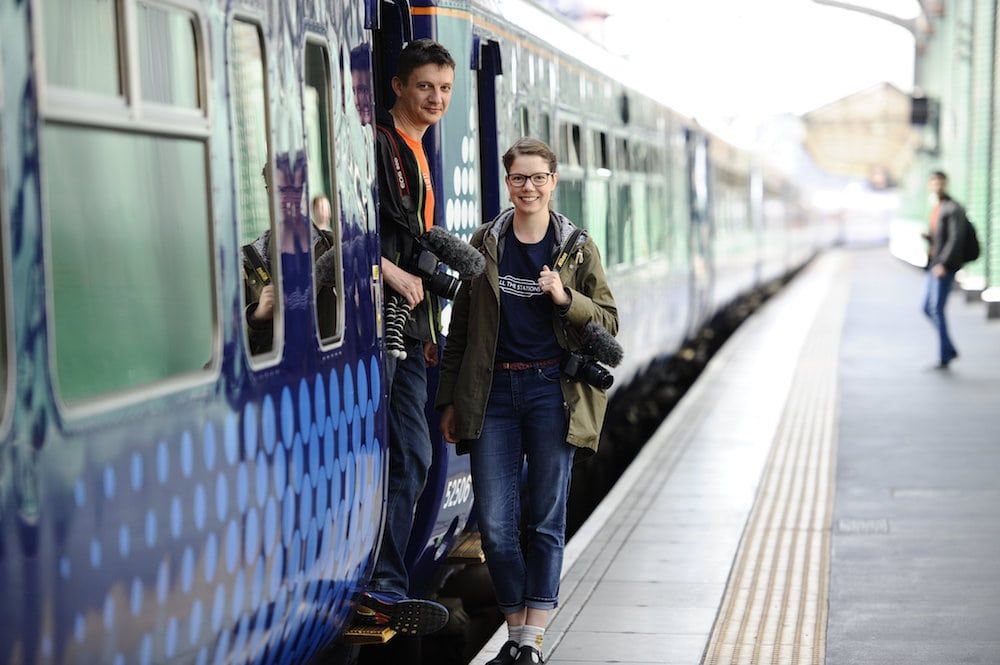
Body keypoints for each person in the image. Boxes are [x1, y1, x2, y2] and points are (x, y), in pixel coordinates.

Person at [436, 138, 618, 665]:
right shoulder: (487, 241)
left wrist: (565, 297)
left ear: (553, 182)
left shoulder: (576, 247)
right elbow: (464, 328)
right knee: (494, 523)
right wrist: (451, 400)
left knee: (544, 518)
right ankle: (515, 633)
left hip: (550, 392)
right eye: (519, 178)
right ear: (507, 182)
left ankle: (529, 643)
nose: (529, 188)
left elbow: (608, 322)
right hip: (493, 394)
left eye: (539, 178)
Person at [353, 39, 455, 636]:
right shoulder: (378, 146)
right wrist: (385, 268)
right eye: (425, 87)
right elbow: (331, 220)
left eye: (444, 89)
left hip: (413, 331)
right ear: (398, 87)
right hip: (379, 329)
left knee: (414, 455)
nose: (436, 98)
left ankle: (386, 583)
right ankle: (380, 582)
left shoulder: (417, 150)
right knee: (401, 453)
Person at [923, 170, 966, 369]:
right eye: (933, 182)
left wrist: (944, 264)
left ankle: (945, 356)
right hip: (933, 264)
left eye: (940, 182)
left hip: (943, 267)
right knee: (926, 307)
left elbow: (956, 239)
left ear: (946, 184)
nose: (937, 186)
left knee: (937, 309)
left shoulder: (953, 208)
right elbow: (941, 237)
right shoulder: (936, 208)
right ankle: (948, 348)